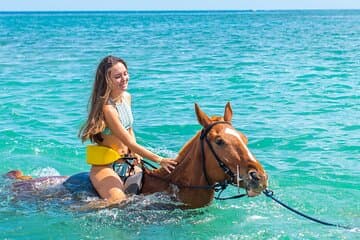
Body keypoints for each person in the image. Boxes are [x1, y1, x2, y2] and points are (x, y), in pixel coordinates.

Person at [79, 55, 177, 205]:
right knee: (117, 201)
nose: (124, 78)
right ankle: (76, 211)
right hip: (106, 166)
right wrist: (160, 160)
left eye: (125, 73)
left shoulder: (127, 97)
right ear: (107, 80)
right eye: (117, 76)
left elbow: (130, 130)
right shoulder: (108, 109)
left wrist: (137, 155)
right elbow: (128, 141)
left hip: (129, 162)